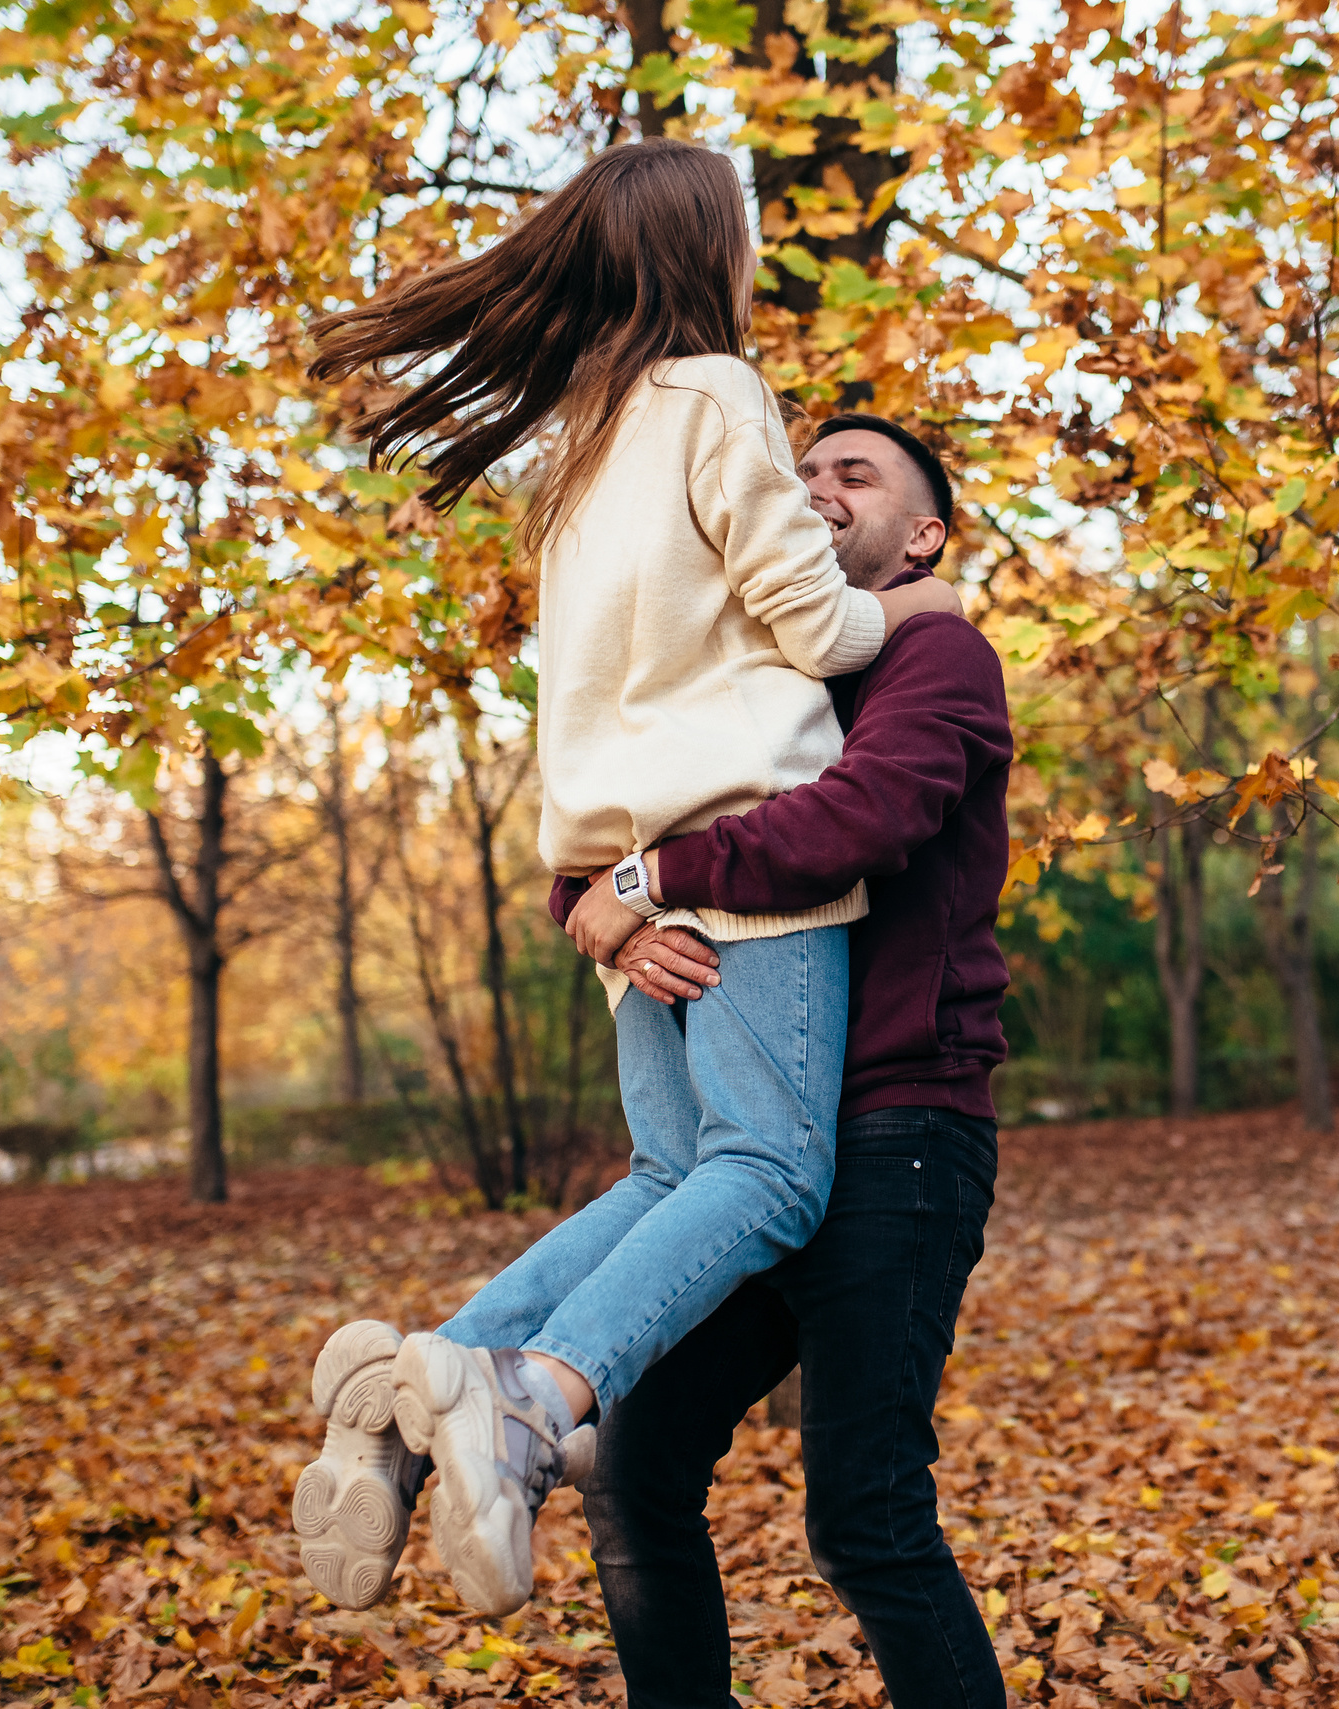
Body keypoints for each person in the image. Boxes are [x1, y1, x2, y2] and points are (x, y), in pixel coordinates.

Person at [289, 141, 960, 1620]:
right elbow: (807, 619)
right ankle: (528, 1400)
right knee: (772, 1176)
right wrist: (910, 605)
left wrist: (603, 886)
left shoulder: (583, 444)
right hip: (733, 853)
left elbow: (595, 690)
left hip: (620, 874)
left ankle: (417, 1384)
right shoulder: (719, 392)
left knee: (674, 1174)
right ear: (706, 249)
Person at [556, 414, 1013, 1709]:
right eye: (800, 471)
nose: (814, 488)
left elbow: (863, 819)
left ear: (922, 534)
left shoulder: (937, 653)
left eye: (852, 476)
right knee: (635, 1470)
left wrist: (657, 875)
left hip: (894, 1133)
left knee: (865, 1513)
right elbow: (617, 822)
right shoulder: (760, 668)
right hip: (754, 1140)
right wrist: (602, 905)